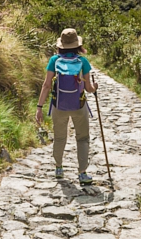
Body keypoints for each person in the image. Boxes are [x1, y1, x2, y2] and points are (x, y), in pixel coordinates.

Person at [36, 28, 97, 184]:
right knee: (82, 138)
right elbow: (89, 88)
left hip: (59, 106)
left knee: (59, 137)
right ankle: (82, 173)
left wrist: (39, 107)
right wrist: (95, 87)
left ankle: (58, 168)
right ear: (77, 45)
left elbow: (46, 85)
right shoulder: (83, 61)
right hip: (79, 105)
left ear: (61, 45)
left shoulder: (54, 60)